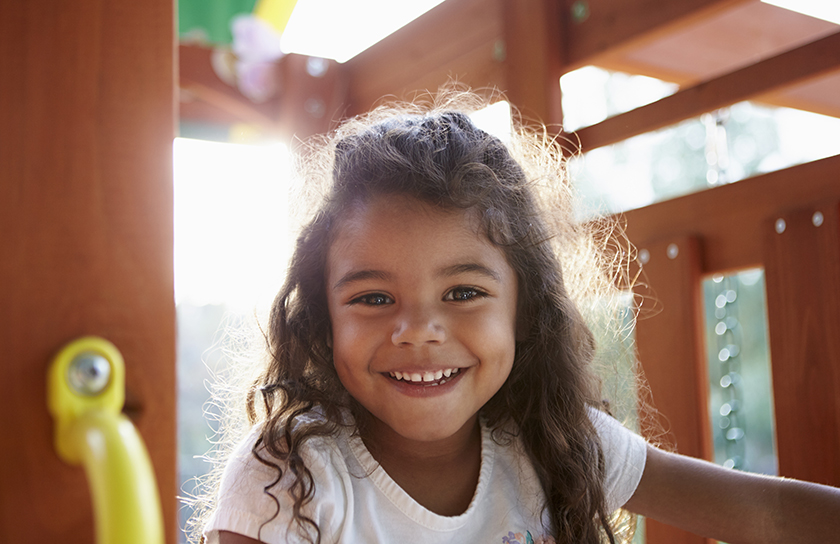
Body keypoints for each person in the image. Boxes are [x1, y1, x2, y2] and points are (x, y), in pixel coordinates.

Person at [196, 91, 840, 544]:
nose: (418, 329)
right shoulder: (290, 475)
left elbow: (771, 515)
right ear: (320, 320)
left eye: (463, 293)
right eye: (372, 299)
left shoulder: (555, 441)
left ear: (524, 311)